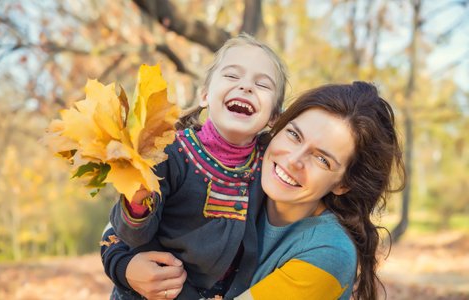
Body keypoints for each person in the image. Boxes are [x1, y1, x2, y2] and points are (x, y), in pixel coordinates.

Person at [103, 81, 405, 300]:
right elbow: (123, 219)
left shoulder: (328, 254)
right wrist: (125, 267)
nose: (294, 160)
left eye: (322, 159)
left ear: (344, 183)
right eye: (294, 135)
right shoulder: (238, 169)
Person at [101, 33, 288, 300]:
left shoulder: (268, 165)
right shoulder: (170, 153)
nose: (246, 87)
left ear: (273, 117)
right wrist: (137, 201)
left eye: (262, 84)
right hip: (153, 291)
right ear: (204, 95)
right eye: (233, 76)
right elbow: (131, 236)